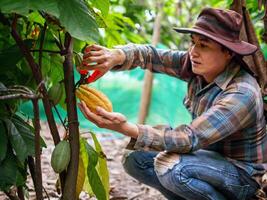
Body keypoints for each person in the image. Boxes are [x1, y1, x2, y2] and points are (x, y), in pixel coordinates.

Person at [78, 7, 267, 200]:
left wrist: (125, 127)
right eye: (193, 43)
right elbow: (151, 56)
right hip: (206, 158)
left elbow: (189, 138)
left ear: (228, 53)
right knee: (135, 157)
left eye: (204, 45)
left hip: (242, 177)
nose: (193, 52)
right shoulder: (196, 66)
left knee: (172, 168)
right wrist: (116, 55)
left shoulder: (242, 93)